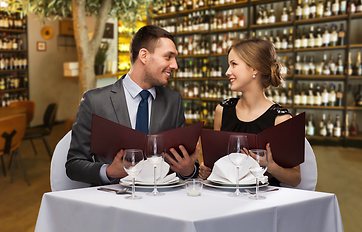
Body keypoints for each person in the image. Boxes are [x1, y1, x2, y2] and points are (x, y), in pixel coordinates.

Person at [66, 25, 199, 186]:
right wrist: (109, 172)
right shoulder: (95, 101)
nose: (175, 65)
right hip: (112, 203)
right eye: (168, 57)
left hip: (159, 201)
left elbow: (184, 163)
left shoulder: (173, 101)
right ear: (144, 55)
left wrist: (188, 171)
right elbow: (73, 165)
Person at [199, 38, 301, 187]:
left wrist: (271, 167)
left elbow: (295, 178)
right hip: (226, 198)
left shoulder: (280, 119)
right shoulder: (222, 110)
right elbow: (217, 165)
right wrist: (208, 171)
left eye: (234, 64)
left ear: (254, 68)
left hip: (263, 202)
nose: (228, 72)